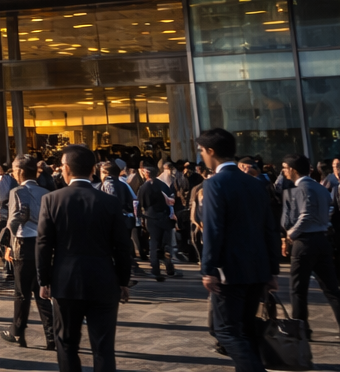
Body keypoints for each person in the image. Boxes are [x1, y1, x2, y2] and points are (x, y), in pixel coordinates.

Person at [35, 145, 132, 372]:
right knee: (104, 347)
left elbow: (43, 244)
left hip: (65, 281)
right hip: (104, 279)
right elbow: (122, 246)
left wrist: (44, 280)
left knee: (66, 343)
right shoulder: (109, 202)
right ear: (93, 170)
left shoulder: (52, 200)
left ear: (66, 169)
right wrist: (123, 281)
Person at [197, 129, 281, 372]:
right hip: (258, 268)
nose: (201, 156)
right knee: (245, 328)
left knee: (225, 330)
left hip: (229, 270)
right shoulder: (256, 184)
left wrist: (208, 269)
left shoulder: (214, 184)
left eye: (202, 151)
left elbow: (213, 229)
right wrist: (273, 270)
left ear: (211, 151)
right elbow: (270, 229)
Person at [279, 154, 340, 334]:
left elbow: (305, 215)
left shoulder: (302, 188)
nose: (283, 171)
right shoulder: (320, 188)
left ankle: (301, 330)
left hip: (305, 242)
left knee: (298, 289)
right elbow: (328, 209)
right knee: (331, 289)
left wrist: (291, 233)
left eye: (284, 168)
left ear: (293, 169)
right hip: (322, 239)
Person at [1, 154, 53, 350]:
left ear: (20, 172)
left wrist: (8, 243)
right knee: (42, 292)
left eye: (14, 170)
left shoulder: (17, 191)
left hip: (23, 245)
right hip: (43, 245)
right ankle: (51, 336)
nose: (13, 173)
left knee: (21, 293)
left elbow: (14, 219)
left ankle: (17, 332)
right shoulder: (45, 192)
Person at [137, 159, 178, 281]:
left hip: (151, 216)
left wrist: (140, 217)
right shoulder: (162, 185)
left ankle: (155, 269)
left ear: (146, 174)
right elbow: (172, 198)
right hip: (165, 216)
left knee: (154, 243)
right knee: (166, 242)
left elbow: (140, 203)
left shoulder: (143, 187)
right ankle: (168, 263)